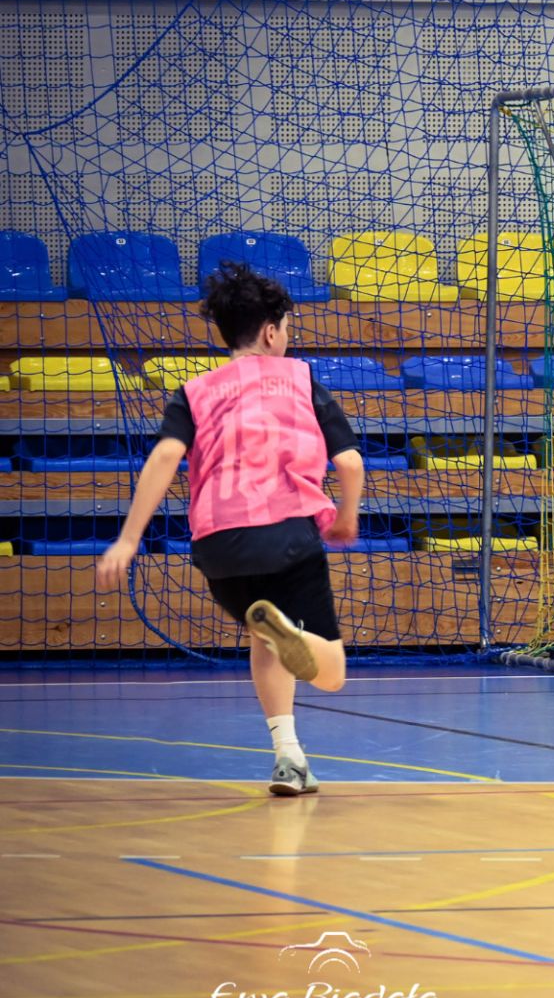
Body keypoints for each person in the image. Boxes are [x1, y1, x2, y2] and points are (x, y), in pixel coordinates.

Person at [95, 262, 363, 796]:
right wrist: (347, 517)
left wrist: (128, 539)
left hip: (218, 547)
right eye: (286, 328)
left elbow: (164, 457)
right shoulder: (301, 379)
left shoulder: (194, 391)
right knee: (330, 672)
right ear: (271, 332)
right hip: (287, 534)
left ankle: (289, 759)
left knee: (264, 635)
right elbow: (350, 463)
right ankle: (293, 638)